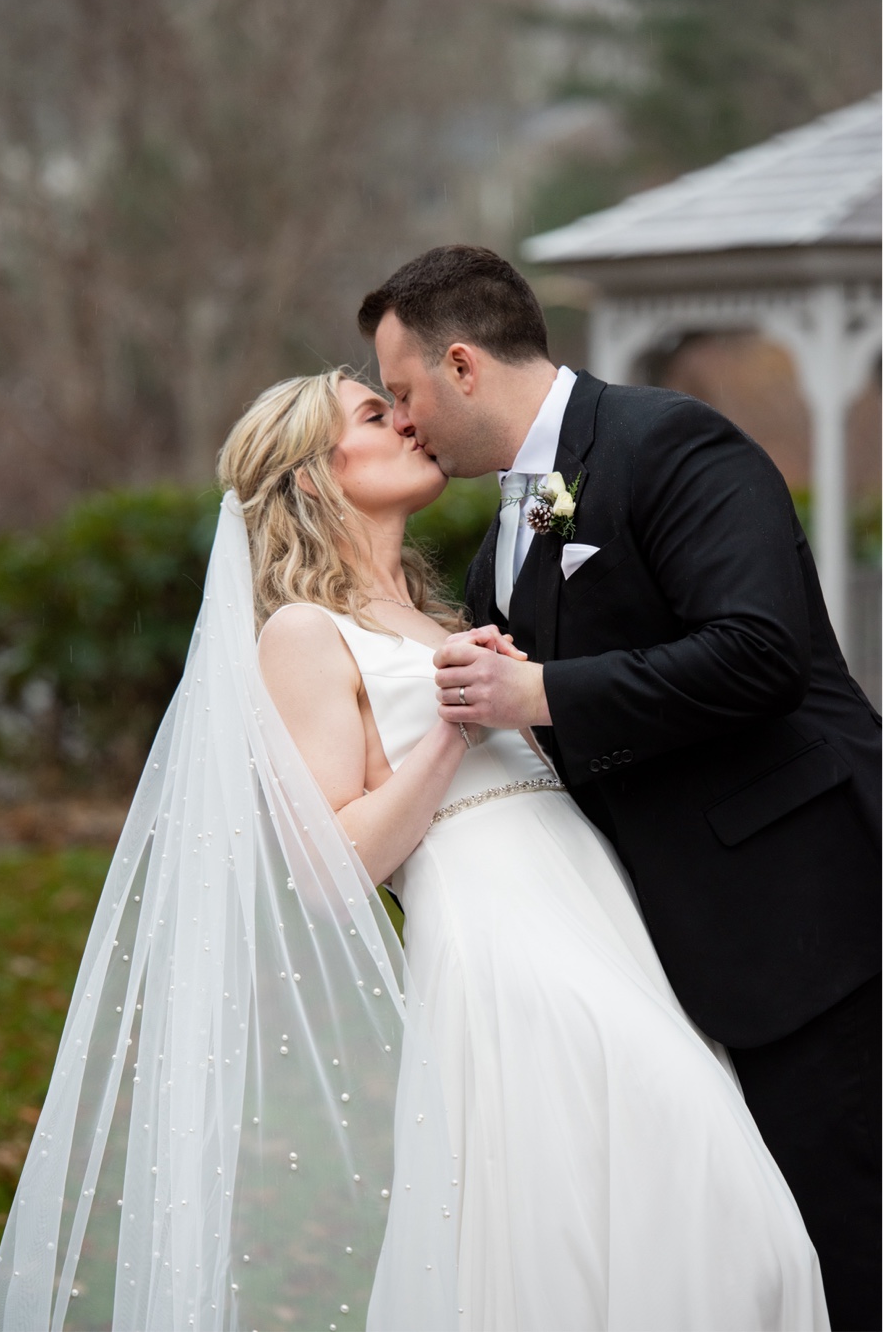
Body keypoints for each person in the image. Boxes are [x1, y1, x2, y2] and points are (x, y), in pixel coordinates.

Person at [0, 369, 826, 1331]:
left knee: (712, 1226)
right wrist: (451, 732)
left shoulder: (455, 607)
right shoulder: (304, 634)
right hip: (507, 949)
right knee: (687, 1201)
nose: (408, 424)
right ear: (313, 478)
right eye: (374, 416)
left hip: (603, 924)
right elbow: (330, 867)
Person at [361, 244, 879, 1330]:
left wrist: (540, 692)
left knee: (851, 1239)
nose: (402, 422)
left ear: (462, 364)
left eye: (403, 392)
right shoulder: (502, 540)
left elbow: (761, 653)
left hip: (815, 916)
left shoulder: (671, 443)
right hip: (677, 954)